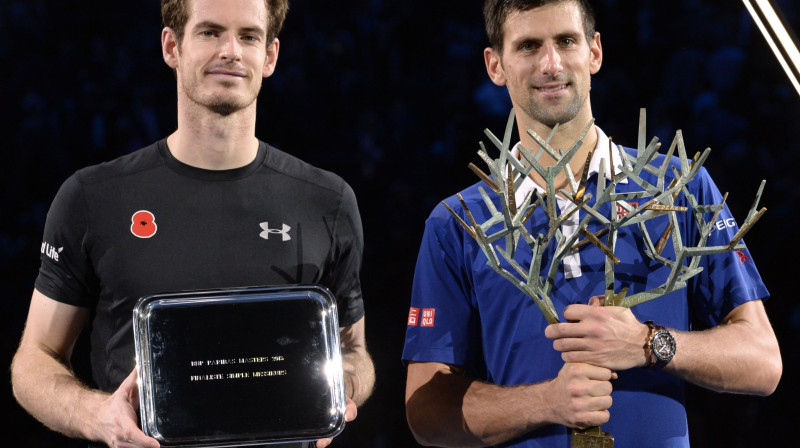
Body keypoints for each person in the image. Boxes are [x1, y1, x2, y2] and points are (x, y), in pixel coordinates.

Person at [402, 1, 781, 447]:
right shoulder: (457, 224)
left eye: (566, 41)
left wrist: (646, 344)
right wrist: (547, 402)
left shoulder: (680, 188)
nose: (551, 63)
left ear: (594, 52)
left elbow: (762, 361)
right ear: (495, 65)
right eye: (528, 46)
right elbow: (425, 412)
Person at [10, 0, 375, 447]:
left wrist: (343, 388)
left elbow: (355, 351)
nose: (231, 51)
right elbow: (34, 360)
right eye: (209, 32)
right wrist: (97, 416)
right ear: (171, 46)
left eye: (248, 36)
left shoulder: (328, 200)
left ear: (271, 55)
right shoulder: (92, 197)